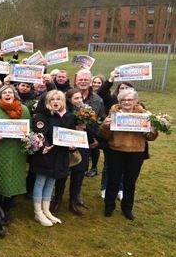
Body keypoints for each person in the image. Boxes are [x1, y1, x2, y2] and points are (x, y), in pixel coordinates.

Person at [99, 88, 158, 220]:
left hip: (136, 152)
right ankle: (109, 205)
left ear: (135, 101)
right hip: (116, 150)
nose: (126, 102)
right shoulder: (114, 113)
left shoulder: (144, 114)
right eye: (123, 100)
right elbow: (105, 135)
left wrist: (153, 129)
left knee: (130, 182)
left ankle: (127, 208)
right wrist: (105, 126)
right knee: (113, 180)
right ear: (119, 101)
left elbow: (150, 137)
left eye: (130, 100)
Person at [0, 84, 31, 221]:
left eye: (10, 92)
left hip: (17, 151)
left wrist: (27, 136)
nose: (7, 94)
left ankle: (6, 209)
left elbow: (30, 129)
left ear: (15, 95)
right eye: (4, 93)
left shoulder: (24, 110)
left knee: (12, 179)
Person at [29, 90, 76, 226]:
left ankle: (46, 210)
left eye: (59, 99)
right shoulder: (41, 116)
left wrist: (73, 146)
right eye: (52, 99)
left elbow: (70, 134)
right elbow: (40, 134)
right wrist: (46, 145)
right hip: (45, 154)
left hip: (60, 155)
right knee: (40, 181)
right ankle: (38, 212)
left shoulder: (68, 116)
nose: (56, 102)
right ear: (47, 102)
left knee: (51, 182)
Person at [64, 88, 99, 216]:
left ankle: (73, 201)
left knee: (79, 174)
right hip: (67, 146)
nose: (79, 101)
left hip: (83, 146)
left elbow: (94, 129)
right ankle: (56, 199)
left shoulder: (87, 111)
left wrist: (85, 128)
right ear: (69, 100)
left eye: (80, 98)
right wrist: (75, 127)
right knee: (63, 174)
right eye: (76, 98)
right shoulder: (65, 112)